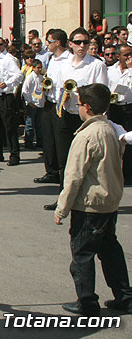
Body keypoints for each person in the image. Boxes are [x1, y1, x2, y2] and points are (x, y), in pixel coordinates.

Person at [54, 83, 132, 316]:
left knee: (82, 255)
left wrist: (61, 209)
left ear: (86, 107)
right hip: (109, 202)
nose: (77, 109)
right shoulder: (111, 129)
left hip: (90, 206)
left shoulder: (86, 135)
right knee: (110, 250)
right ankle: (125, 295)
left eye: (78, 105)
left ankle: (87, 302)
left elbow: (74, 177)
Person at [44, 27, 108, 210]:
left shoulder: (96, 65)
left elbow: (101, 92)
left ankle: (85, 197)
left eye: (86, 42)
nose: (82, 46)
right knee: (65, 159)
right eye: (78, 42)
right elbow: (57, 87)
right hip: (65, 113)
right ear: (70, 44)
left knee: (86, 160)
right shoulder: (64, 64)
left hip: (86, 118)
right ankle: (63, 198)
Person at [35, 29, 70, 189]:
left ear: (57, 42)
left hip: (60, 104)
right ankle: (51, 171)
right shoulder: (51, 58)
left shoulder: (68, 59)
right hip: (49, 101)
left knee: (60, 142)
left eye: (49, 41)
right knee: (48, 139)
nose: (46, 44)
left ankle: (63, 176)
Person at [0, 35, 23, 166]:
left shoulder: (7, 60)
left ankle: (14, 154)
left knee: (9, 127)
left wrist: (7, 83)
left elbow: (19, 75)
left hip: (4, 96)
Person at [107, 44, 132, 185]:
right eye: (126, 55)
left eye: (130, 54)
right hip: (114, 107)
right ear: (118, 57)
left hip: (129, 107)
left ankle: (128, 173)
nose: (129, 58)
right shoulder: (111, 70)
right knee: (114, 140)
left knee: (128, 141)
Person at [21, 59, 45, 149]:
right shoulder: (30, 77)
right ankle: (28, 142)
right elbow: (25, 90)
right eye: (38, 68)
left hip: (40, 103)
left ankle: (40, 142)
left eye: (40, 68)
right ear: (33, 68)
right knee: (30, 123)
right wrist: (29, 102)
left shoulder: (42, 78)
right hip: (32, 103)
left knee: (39, 124)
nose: (39, 70)